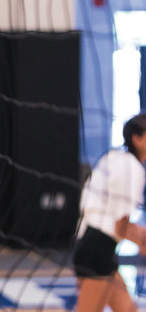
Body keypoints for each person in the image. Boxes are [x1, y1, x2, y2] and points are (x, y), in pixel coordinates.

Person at [72, 113, 146, 312]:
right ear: (137, 139)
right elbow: (120, 226)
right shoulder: (134, 169)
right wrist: (142, 240)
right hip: (98, 249)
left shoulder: (112, 157)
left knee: (128, 309)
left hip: (88, 244)